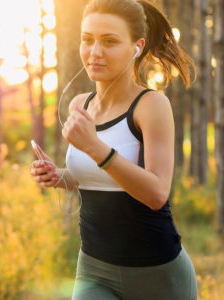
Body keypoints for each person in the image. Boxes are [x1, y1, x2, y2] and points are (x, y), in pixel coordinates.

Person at [30, 0, 197, 299]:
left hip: (157, 273)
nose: (95, 52)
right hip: (94, 269)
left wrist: (95, 147)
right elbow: (94, 178)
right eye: (87, 39)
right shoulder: (79, 105)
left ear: (137, 46)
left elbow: (157, 193)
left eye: (109, 41)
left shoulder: (151, 106)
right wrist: (58, 176)